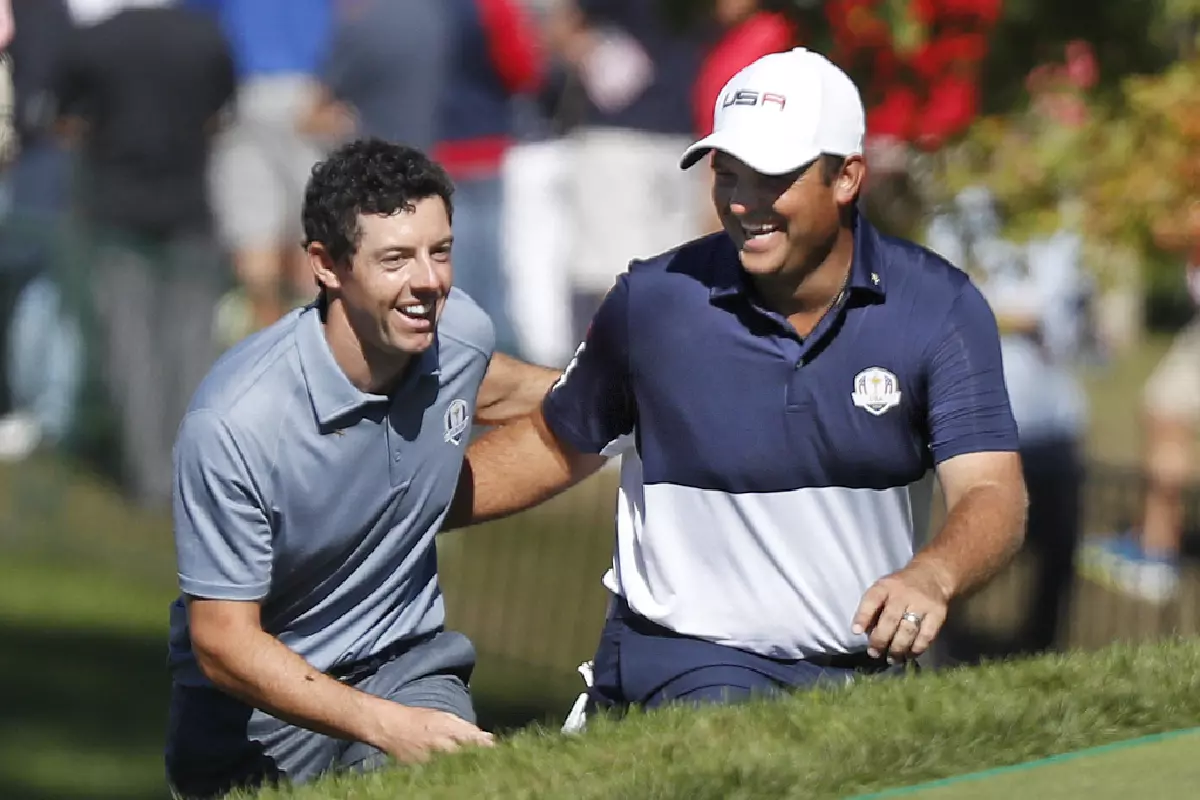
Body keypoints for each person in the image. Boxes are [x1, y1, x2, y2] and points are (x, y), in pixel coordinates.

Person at [448, 48, 1028, 717]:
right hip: (682, 666)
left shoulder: (937, 308)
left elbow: (991, 490)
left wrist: (935, 573)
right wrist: (395, 512)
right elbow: (553, 446)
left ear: (847, 178)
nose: (745, 202)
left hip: (862, 683)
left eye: (773, 177)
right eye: (728, 174)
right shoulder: (656, 301)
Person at [165, 139, 561, 799]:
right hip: (253, 720)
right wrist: (385, 726)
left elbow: (495, 387)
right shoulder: (235, 423)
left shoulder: (456, 332)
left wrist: (626, 387)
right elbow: (221, 640)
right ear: (326, 266)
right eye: (396, 259)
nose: (429, 281)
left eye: (440, 251)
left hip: (406, 665)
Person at [54, 0, 236, 510]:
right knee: (193, 346)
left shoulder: (96, 42)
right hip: (189, 204)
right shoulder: (205, 39)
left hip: (116, 209)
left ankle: (151, 475)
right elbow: (220, 115)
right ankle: (196, 470)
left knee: (131, 347)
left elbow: (66, 120)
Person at [926, 186, 1088, 660]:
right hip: (977, 424)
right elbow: (948, 295)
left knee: (1055, 555)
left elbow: (1055, 315)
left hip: (1052, 420)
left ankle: (1039, 652)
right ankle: (944, 652)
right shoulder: (958, 211)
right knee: (965, 545)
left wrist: (1001, 307)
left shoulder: (1062, 222)